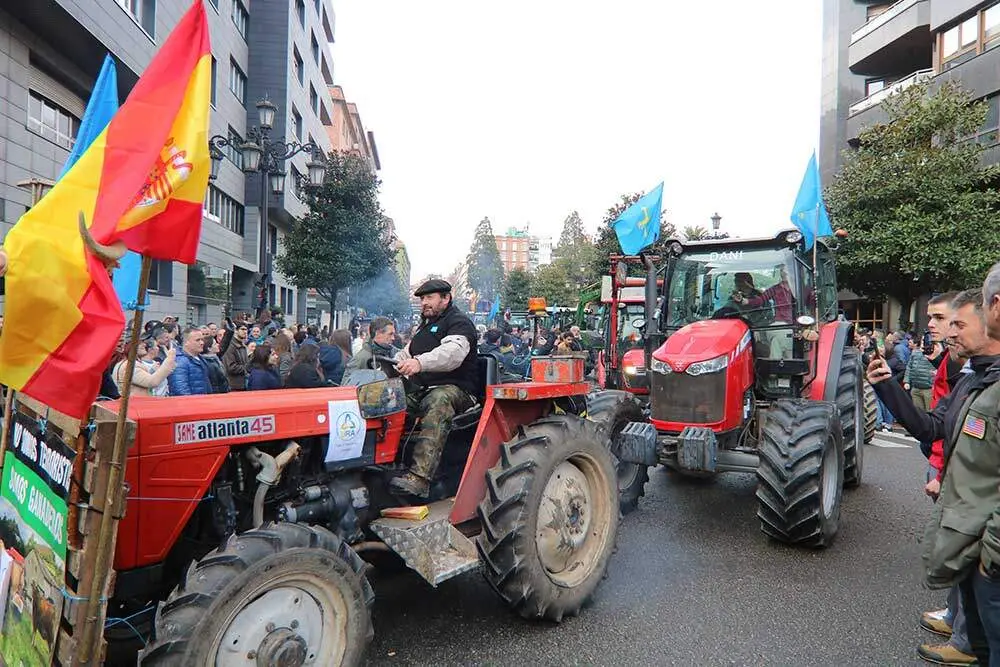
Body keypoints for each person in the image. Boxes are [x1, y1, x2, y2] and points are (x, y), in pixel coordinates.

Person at [869, 285, 1000, 666]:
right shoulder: (972, 380)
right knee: (982, 643)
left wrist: (992, 556)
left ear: (990, 320)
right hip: (970, 540)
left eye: (958, 324)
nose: (949, 333)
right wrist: (887, 386)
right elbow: (930, 427)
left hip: (988, 551)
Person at [389, 279, 478, 498]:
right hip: (423, 388)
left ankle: (420, 478)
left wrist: (419, 363)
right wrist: (392, 363)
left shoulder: (459, 323)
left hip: (458, 390)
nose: (424, 303)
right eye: (422, 299)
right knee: (389, 400)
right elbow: (406, 353)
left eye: (429, 298)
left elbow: (452, 354)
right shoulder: (425, 327)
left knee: (438, 399)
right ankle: (383, 463)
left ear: (446, 298)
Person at [167, 327, 213, 396]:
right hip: (191, 402)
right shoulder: (180, 362)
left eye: (202, 340)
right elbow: (180, 390)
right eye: (197, 340)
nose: (202, 343)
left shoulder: (200, 359)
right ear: (186, 342)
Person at [222, 323, 249, 390]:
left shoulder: (243, 346)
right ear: (236, 331)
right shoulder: (230, 346)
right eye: (242, 329)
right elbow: (231, 367)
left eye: (246, 329)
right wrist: (248, 367)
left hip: (242, 384)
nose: (245, 332)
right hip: (233, 385)